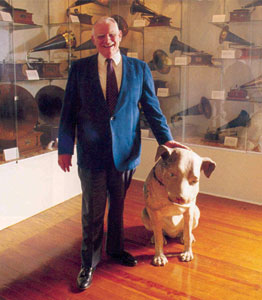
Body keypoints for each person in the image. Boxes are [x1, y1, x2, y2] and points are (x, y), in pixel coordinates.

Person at [58, 16, 188, 290]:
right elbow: (68, 111)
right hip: (92, 153)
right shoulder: (79, 69)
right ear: (93, 39)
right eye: (101, 36)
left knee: (117, 208)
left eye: (112, 35)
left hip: (126, 153)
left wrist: (167, 139)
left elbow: (152, 109)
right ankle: (89, 263)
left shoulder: (139, 69)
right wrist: (65, 148)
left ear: (121, 35)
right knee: (92, 212)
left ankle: (115, 250)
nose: (107, 40)